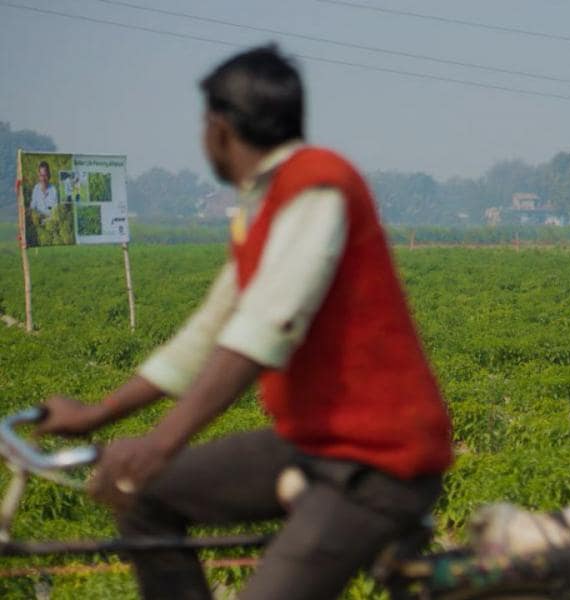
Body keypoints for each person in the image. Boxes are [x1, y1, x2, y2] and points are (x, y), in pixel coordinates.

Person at [35, 45, 452, 600]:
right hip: (314, 443)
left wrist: (159, 444)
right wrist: (99, 414)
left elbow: (261, 330)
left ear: (220, 127)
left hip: (378, 463)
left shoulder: (319, 185)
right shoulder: (263, 206)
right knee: (143, 496)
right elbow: (209, 332)